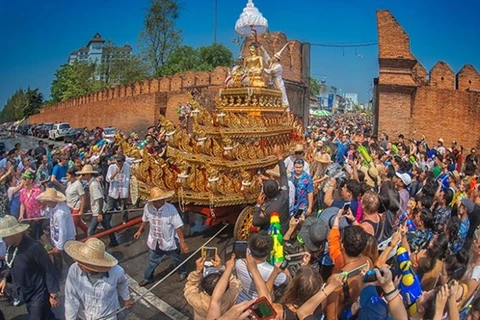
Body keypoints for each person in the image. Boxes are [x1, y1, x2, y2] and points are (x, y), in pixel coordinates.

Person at [0, 215, 60, 319]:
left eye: (5, 236)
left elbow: (48, 269)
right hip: (25, 291)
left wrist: (53, 294)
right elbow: (11, 264)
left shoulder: (34, 247)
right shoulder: (11, 247)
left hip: (38, 293)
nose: (3, 239)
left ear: (15, 234)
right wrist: (5, 279)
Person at [64, 238, 134, 319]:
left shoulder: (117, 272)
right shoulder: (74, 270)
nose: (79, 264)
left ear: (94, 266)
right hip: (86, 316)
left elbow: (123, 282)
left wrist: (126, 298)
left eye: (84, 263)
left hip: (109, 316)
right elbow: (71, 298)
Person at [134, 187, 189, 286]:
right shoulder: (148, 207)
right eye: (161, 199)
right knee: (152, 261)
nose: (164, 200)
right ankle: (148, 278)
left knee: (176, 259)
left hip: (169, 241)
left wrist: (182, 241)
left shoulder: (170, 209)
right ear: (155, 201)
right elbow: (145, 220)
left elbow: (178, 226)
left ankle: (183, 272)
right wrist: (139, 230)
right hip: (155, 241)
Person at [235, 231, 289, 302]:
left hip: (241, 297)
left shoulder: (239, 262)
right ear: (269, 252)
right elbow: (287, 280)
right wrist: (283, 264)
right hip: (258, 302)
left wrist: (264, 239)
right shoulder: (270, 271)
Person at [184, 255, 242, 320]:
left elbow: (190, 286)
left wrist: (198, 271)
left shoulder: (197, 301)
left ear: (203, 286)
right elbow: (235, 283)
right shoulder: (232, 295)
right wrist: (223, 269)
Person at [37, 188, 76, 278]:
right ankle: (60, 274)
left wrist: (59, 246)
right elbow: (46, 215)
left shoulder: (60, 213)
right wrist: (43, 208)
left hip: (66, 240)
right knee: (58, 259)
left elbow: (63, 230)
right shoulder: (54, 207)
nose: (45, 202)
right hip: (57, 238)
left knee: (69, 260)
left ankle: (75, 276)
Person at [78, 165, 119, 247]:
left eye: (84, 175)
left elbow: (99, 198)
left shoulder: (93, 184)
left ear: (89, 175)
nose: (82, 176)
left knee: (90, 231)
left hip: (98, 210)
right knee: (107, 226)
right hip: (100, 209)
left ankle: (90, 247)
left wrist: (99, 213)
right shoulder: (93, 182)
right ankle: (113, 240)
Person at [253, 145, 290, 233]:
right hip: (284, 226)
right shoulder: (284, 194)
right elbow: (283, 175)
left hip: (273, 232)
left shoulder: (268, 210)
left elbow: (255, 222)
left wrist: (258, 205)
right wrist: (280, 157)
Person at [106, 154, 130, 223]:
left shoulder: (127, 166)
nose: (119, 163)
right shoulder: (111, 167)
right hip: (113, 190)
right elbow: (108, 179)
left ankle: (124, 220)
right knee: (110, 207)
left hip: (123, 190)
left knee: (124, 207)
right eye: (117, 161)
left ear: (123, 162)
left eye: (120, 161)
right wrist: (115, 172)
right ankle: (107, 222)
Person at [18, 171, 43, 240]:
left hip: (38, 219)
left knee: (37, 237)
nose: (23, 180)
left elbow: (43, 204)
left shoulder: (38, 191)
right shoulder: (23, 191)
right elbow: (22, 204)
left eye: (25, 179)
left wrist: (39, 214)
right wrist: (21, 215)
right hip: (29, 218)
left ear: (31, 180)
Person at [65, 167, 87, 236]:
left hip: (76, 208)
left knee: (73, 225)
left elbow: (83, 197)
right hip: (69, 207)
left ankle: (75, 238)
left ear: (71, 175)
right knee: (79, 223)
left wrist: (81, 210)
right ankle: (89, 233)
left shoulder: (78, 184)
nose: (66, 177)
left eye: (67, 175)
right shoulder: (69, 183)